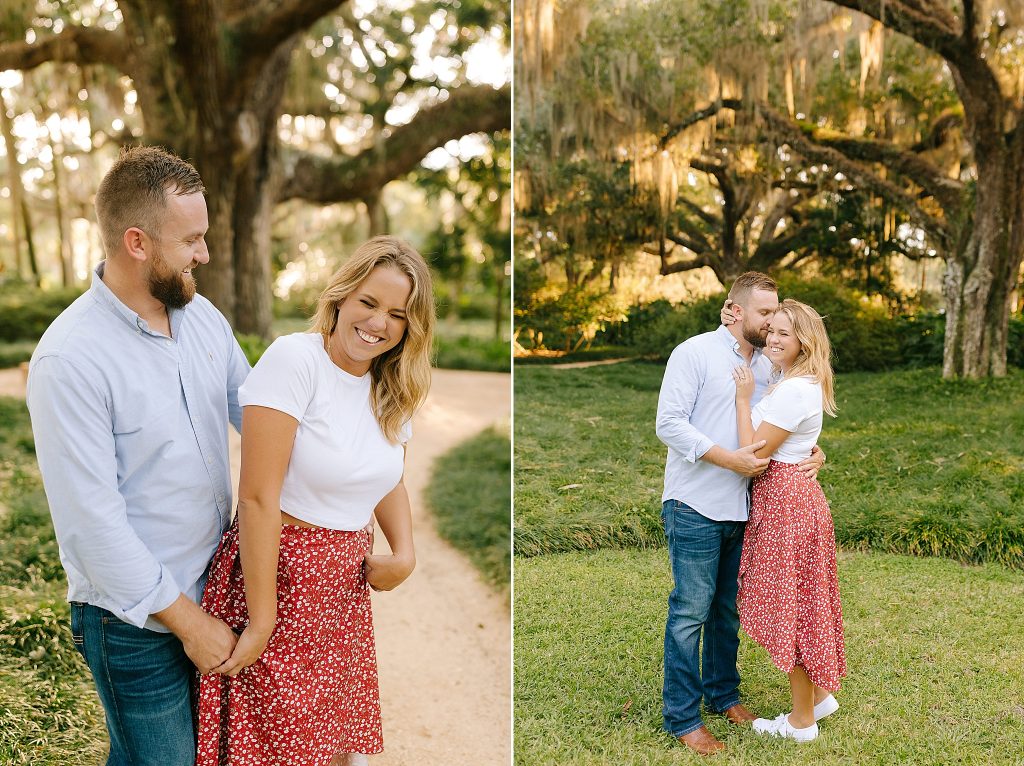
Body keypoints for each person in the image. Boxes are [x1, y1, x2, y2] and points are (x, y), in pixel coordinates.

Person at [25, 146, 250, 765]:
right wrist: (190, 623)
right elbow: (93, 529)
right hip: (133, 624)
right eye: (192, 240)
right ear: (137, 242)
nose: (205, 254)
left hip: (215, 595)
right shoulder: (69, 360)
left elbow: (259, 422)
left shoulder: (202, 318)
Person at [195, 236, 435, 766]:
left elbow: (387, 476)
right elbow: (257, 498)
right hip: (278, 575)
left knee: (329, 743)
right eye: (369, 303)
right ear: (341, 298)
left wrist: (405, 550)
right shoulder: (294, 360)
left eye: (397, 314)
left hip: (341, 591)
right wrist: (262, 620)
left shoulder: (390, 385)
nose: (378, 323)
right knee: (276, 743)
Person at [655, 272, 825, 756]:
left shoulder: (773, 365)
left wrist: (817, 452)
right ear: (735, 311)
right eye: (766, 313)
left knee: (727, 610)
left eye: (777, 317)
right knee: (691, 610)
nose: (773, 324)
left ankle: (723, 694)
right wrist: (726, 458)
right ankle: (684, 718)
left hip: (750, 508)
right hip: (696, 502)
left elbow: (786, 425)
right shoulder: (693, 353)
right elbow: (668, 423)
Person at [731, 298, 846, 743]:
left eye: (784, 333)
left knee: (791, 608)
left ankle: (801, 723)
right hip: (793, 498)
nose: (773, 339)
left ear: (805, 341)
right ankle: (818, 697)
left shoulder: (796, 388)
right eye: (771, 330)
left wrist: (743, 400)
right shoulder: (793, 379)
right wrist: (733, 316)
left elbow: (752, 454)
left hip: (785, 503)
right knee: (799, 602)